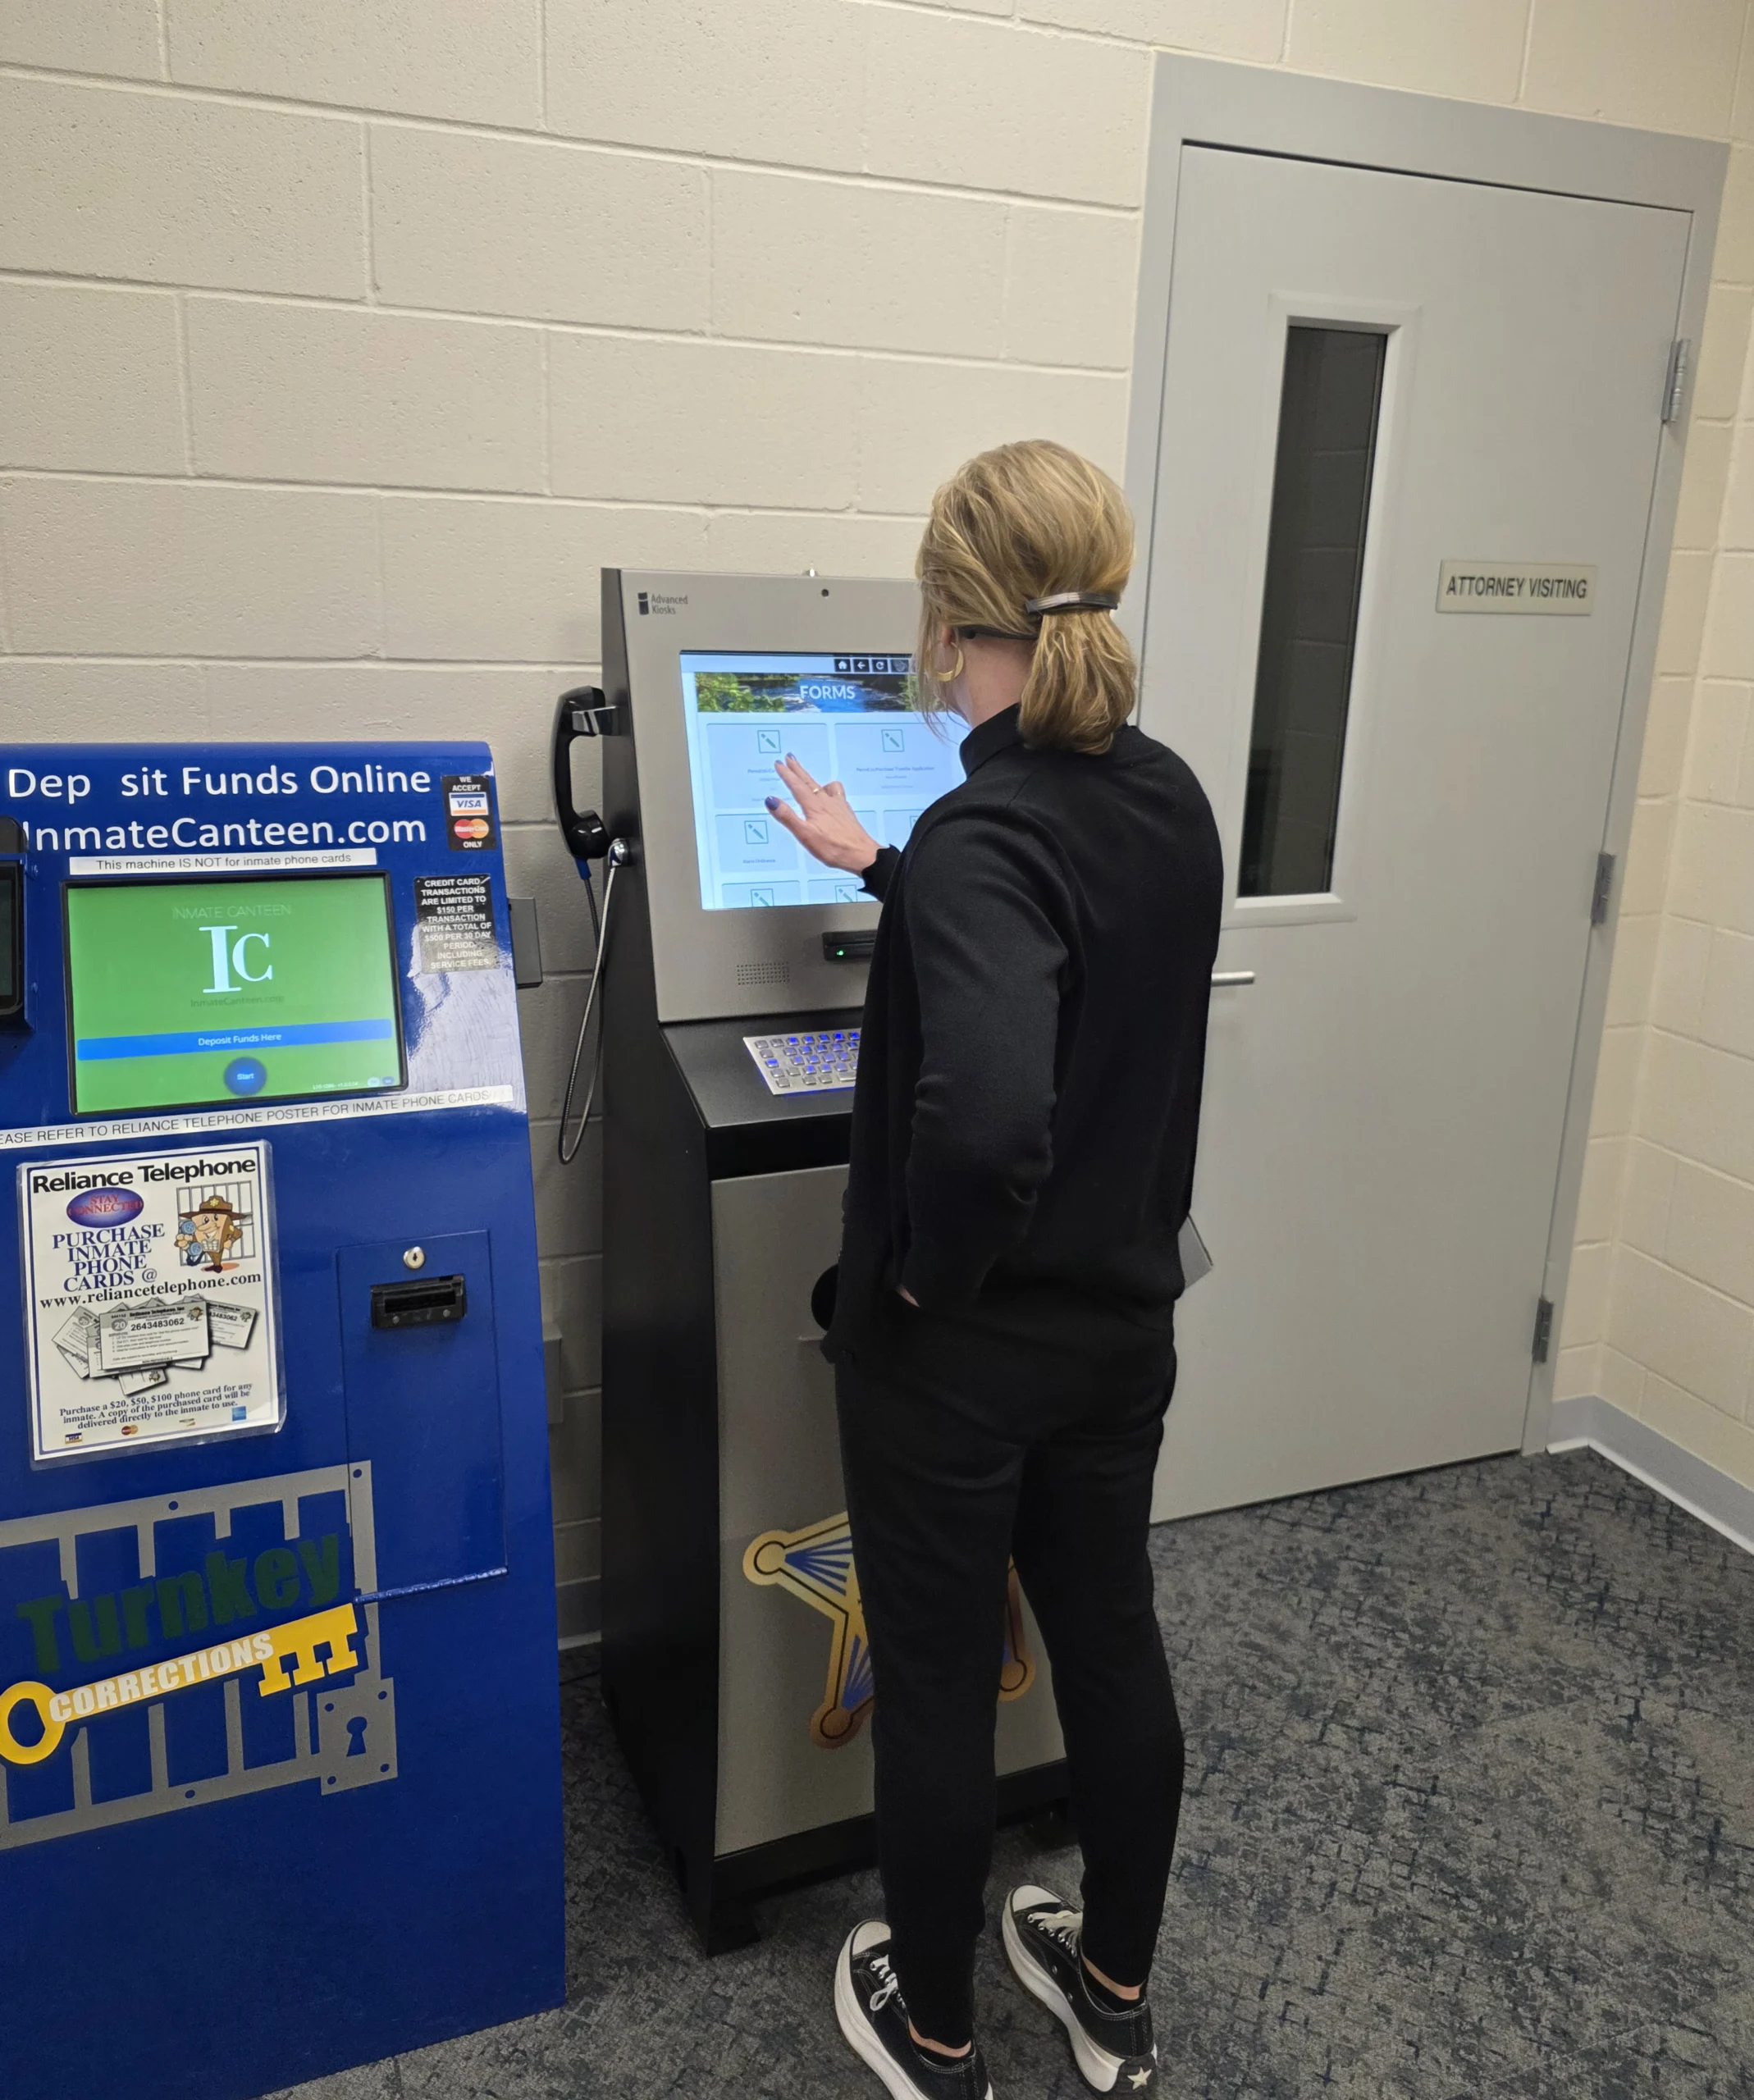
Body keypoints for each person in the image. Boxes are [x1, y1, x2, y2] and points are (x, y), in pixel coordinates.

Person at [765, 440, 1223, 2098]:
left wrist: (912, 1287)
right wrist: (878, 867)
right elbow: (1070, 962)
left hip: (960, 1360)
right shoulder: (1165, 794)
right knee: (1110, 1642)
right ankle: (1111, 1992)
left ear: (954, 623)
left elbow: (980, 1127)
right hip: (1119, 1330)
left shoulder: (982, 829)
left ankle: (935, 2028)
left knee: (940, 1686)